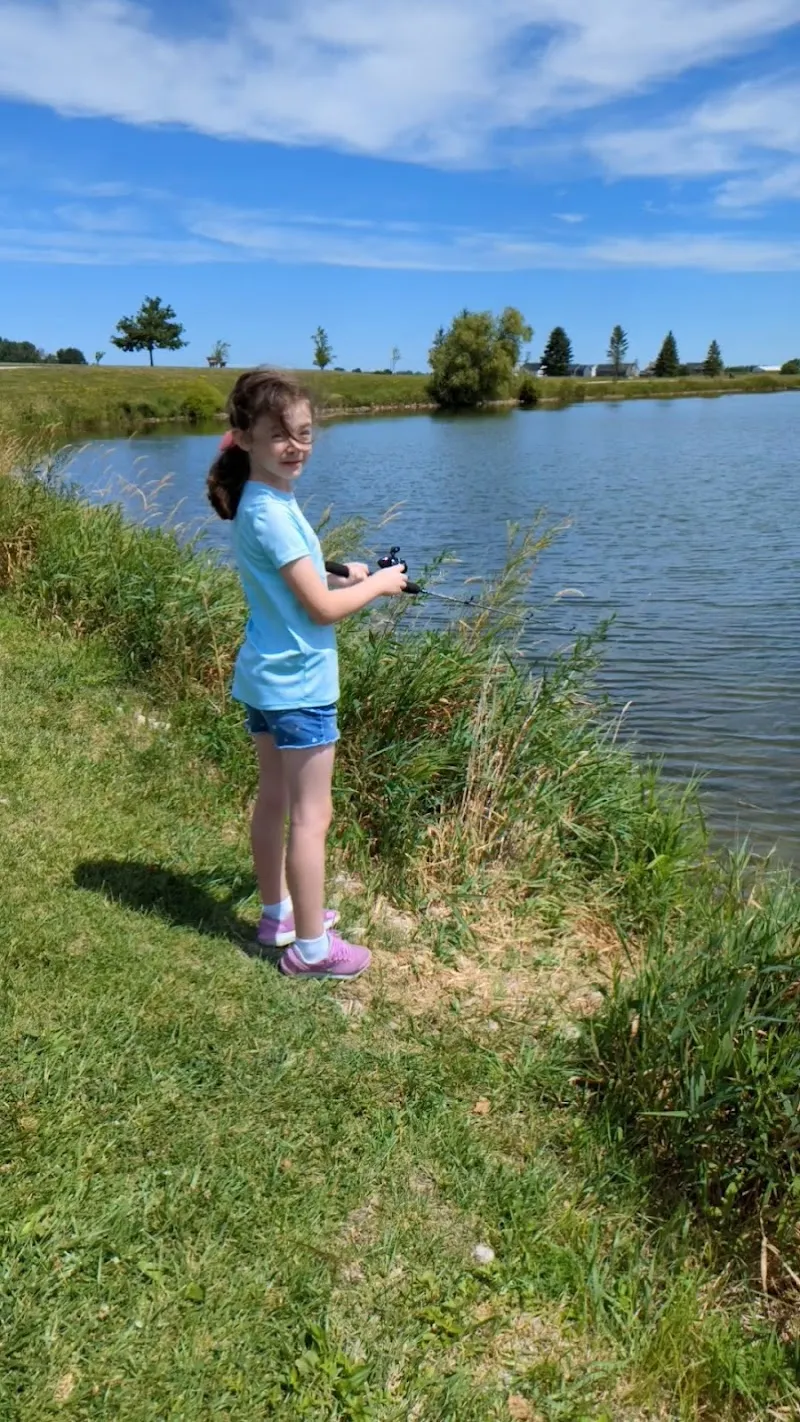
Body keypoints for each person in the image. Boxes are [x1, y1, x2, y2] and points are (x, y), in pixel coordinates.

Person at [206, 368, 407, 980]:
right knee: (312, 817)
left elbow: (296, 581)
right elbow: (319, 611)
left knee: (274, 800)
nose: (296, 446)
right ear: (243, 437)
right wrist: (377, 586)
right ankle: (314, 950)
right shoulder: (271, 512)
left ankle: (279, 916)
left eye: (305, 433)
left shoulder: (263, 502)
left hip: (268, 678)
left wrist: (342, 570)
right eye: (280, 436)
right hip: (300, 685)